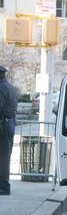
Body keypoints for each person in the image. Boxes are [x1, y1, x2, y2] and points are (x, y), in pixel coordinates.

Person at [0, 66, 17, 196]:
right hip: (10, 121)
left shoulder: (1, 88)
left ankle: (4, 187)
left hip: (3, 124)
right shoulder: (10, 87)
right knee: (5, 156)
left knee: (3, 157)